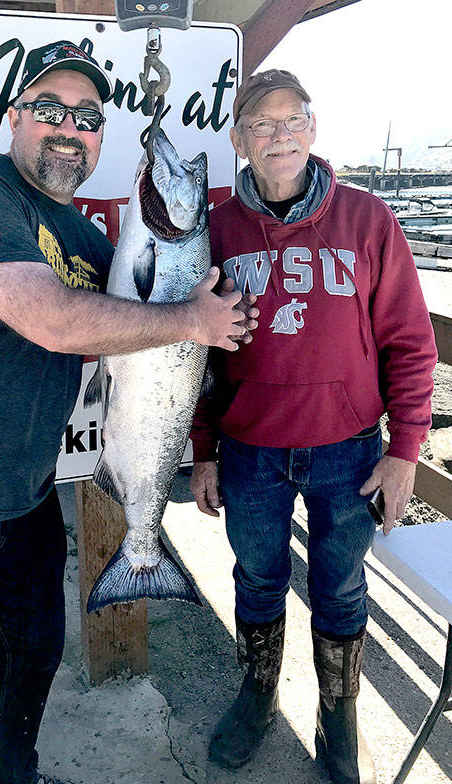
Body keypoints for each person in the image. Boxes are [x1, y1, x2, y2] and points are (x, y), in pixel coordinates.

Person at [0, 40, 257, 784]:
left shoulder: (93, 240)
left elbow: (131, 324)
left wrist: (212, 317)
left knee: (24, 669)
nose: (69, 127)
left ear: (102, 139)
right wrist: (191, 324)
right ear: (16, 118)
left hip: (19, 498)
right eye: (49, 109)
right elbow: (56, 320)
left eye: (87, 117)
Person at [189, 69, 437, 784]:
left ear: (313, 128)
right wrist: (204, 452)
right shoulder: (217, 228)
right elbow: (195, 354)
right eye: (261, 125)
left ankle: (340, 716)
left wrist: (406, 452)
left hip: (348, 451)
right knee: (258, 581)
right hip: (250, 451)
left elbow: (411, 343)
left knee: (340, 586)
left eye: (291, 119)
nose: (279, 135)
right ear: (239, 138)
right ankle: (257, 695)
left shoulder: (369, 220)